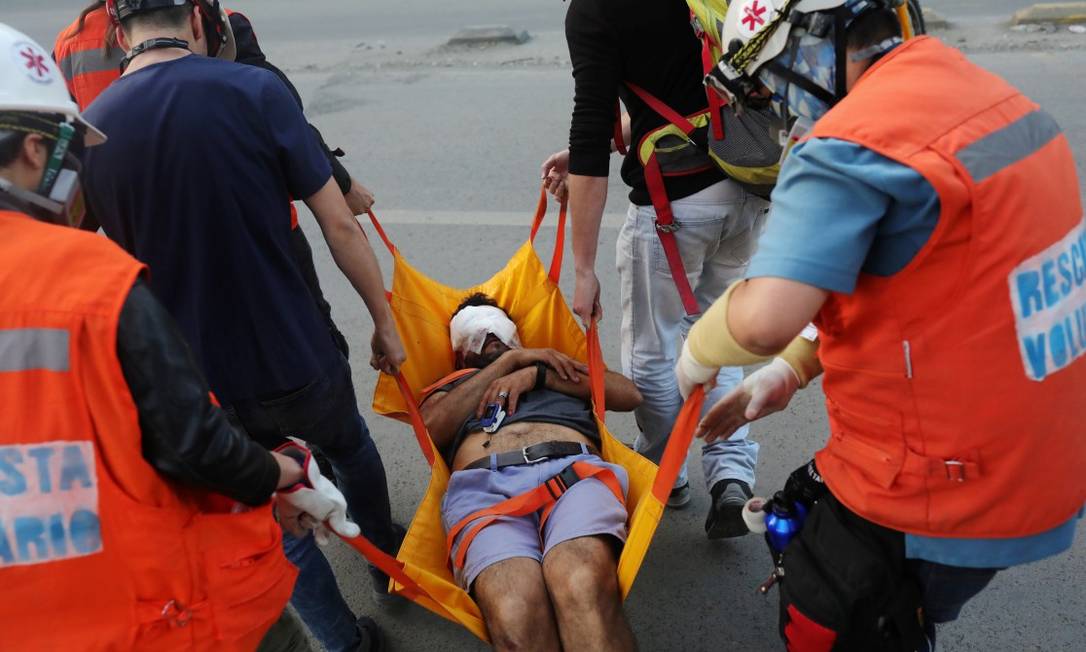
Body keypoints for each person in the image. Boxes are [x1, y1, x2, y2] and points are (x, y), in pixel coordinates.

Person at [677, 1, 1085, 649]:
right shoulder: (1000, 101)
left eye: (773, 76)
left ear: (809, 48)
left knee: (834, 608)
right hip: (1045, 466)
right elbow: (940, 279)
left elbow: (761, 319)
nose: (780, 100)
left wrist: (697, 352)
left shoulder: (851, 142)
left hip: (941, 487)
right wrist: (793, 369)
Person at [0, 23, 357, 651]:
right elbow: (193, 445)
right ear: (35, 149)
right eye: (66, 146)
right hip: (141, 611)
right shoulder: (87, 279)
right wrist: (282, 473)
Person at [79, 2, 406, 650]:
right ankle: (385, 561)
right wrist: (383, 321)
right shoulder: (255, 90)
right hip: (294, 349)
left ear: (119, 36)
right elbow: (338, 223)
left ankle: (343, 641)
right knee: (347, 447)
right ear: (199, 23)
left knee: (265, 511)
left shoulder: (93, 129)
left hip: (198, 381)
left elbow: (78, 254)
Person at [541, 0, 770, 538]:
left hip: (677, 207)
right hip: (745, 186)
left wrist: (582, 269)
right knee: (718, 333)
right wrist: (600, 142)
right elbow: (694, 90)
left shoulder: (597, 10)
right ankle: (731, 474)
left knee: (652, 347)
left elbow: (590, 124)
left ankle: (667, 472)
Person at [53, 0, 376, 358]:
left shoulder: (70, 45)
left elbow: (74, 162)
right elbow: (284, 118)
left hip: (152, 245)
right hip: (259, 231)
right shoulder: (210, 18)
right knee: (308, 350)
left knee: (194, 365)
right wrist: (340, 183)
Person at [420, 293, 642, 652]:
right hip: (485, 491)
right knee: (514, 611)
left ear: (515, 332)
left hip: (573, 472)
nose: (488, 334)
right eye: (475, 332)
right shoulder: (450, 387)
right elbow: (430, 428)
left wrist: (538, 374)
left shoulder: (555, 366)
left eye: (496, 328)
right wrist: (509, 362)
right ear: (460, 351)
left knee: (581, 581)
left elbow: (629, 395)